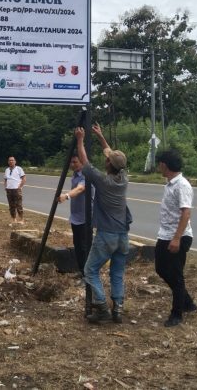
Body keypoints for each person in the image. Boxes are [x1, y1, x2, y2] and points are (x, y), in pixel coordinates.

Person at [76, 123, 131, 324]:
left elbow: (84, 162)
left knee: (90, 270)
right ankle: (118, 309)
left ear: (108, 164)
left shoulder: (103, 181)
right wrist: (100, 136)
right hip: (123, 235)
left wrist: (80, 140)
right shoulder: (123, 178)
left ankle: (101, 307)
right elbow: (110, 154)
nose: (105, 158)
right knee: (117, 272)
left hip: (107, 235)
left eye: (107, 159)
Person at [155, 149, 197, 327]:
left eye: (159, 164)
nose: (158, 167)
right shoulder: (170, 184)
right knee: (161, 269)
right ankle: (187, 301)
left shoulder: (182, 185)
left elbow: (186, 213)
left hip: (178, 236)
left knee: (176, 275)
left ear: (164, 165)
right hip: (165, 234)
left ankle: (177, 313)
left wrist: (177, 239)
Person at [57, 155, 89, 277]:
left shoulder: (86, 176)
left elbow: (80, 189)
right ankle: (82, 271)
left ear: (82, 162)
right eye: (71, 162)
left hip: (85, 218)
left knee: (84, 247)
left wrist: (66, 196)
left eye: (75, 162)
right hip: (76, 217)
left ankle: (87, 276)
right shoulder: (75, 175)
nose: (72, 164)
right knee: (78, 245)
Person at [4, 156, 26, 224]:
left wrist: (20, 187)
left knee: (19, 205)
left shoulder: (19, 169)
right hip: (9, 190)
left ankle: (21, 219)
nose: (11, 161)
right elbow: (5, 180)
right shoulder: (7, 170)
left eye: (12, 160)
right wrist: (5, 187)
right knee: (11, 206)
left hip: (16, 190)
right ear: (8, 162)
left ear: (15, 161)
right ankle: (13, 219)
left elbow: (24, 178)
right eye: (9, 160)